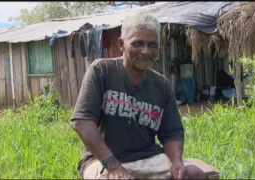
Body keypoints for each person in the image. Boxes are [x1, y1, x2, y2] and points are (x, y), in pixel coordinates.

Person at [71, 10, 206, 179]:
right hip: (103, 159)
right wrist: (113, 166)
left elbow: (171, 133)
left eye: (152, 45)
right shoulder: (102, 71)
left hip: (148, 157)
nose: (145, 51)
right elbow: (82, 121)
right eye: (137, 43)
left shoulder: (161, 85)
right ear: (121, 44)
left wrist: (177, 161)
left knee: (194, 175)